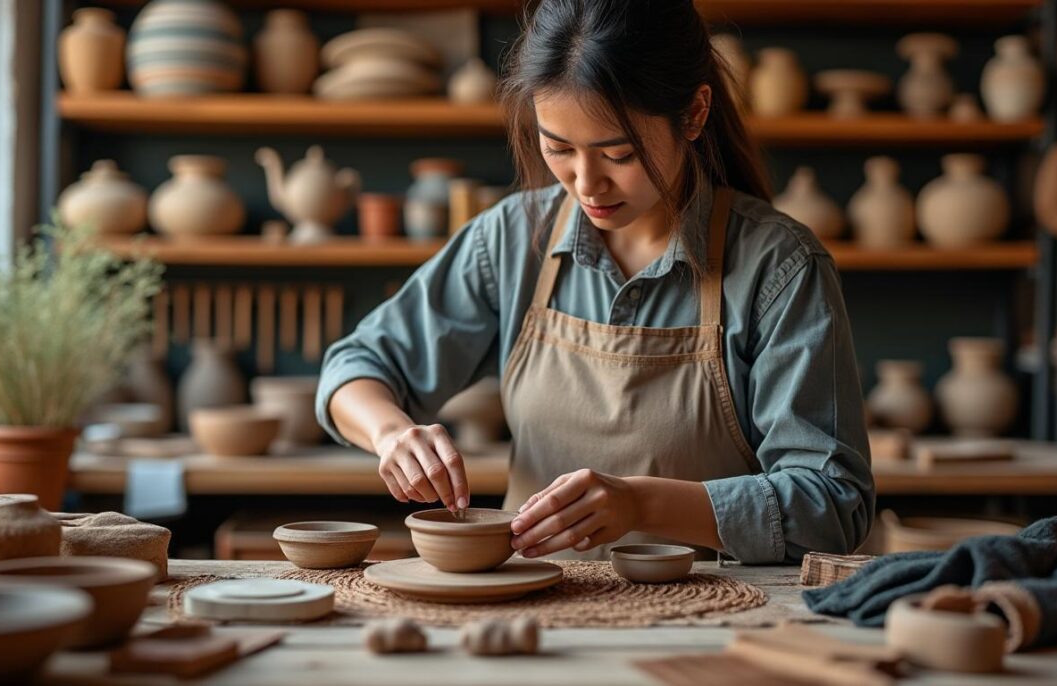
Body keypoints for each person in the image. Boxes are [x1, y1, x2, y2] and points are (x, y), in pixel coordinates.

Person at [316, 0, 874, 563]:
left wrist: (640, 505)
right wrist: (391, 434)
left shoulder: (779, 267)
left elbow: (833, 505)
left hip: (715, 617)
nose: (587, 185)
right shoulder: (511, 240)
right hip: (535, 611)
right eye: (558, 148)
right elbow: (356, 367)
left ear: (694, 114)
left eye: (619, 153)